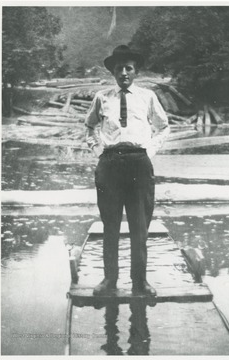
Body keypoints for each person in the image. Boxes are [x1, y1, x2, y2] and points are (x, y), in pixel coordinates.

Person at [85, 45, 169, 296]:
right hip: (110, 163)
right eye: (119, 68)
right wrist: (98, 151)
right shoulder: (102, 97)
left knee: (139, 225)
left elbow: (163, 127)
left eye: (128, 68)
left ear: (136, 71)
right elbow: (89, 127)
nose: (123, 73)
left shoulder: (147, 97)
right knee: (110, 224)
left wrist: (148, 151)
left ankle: (139, 282)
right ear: (113, 72)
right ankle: (110, 280)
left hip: (138, 164)